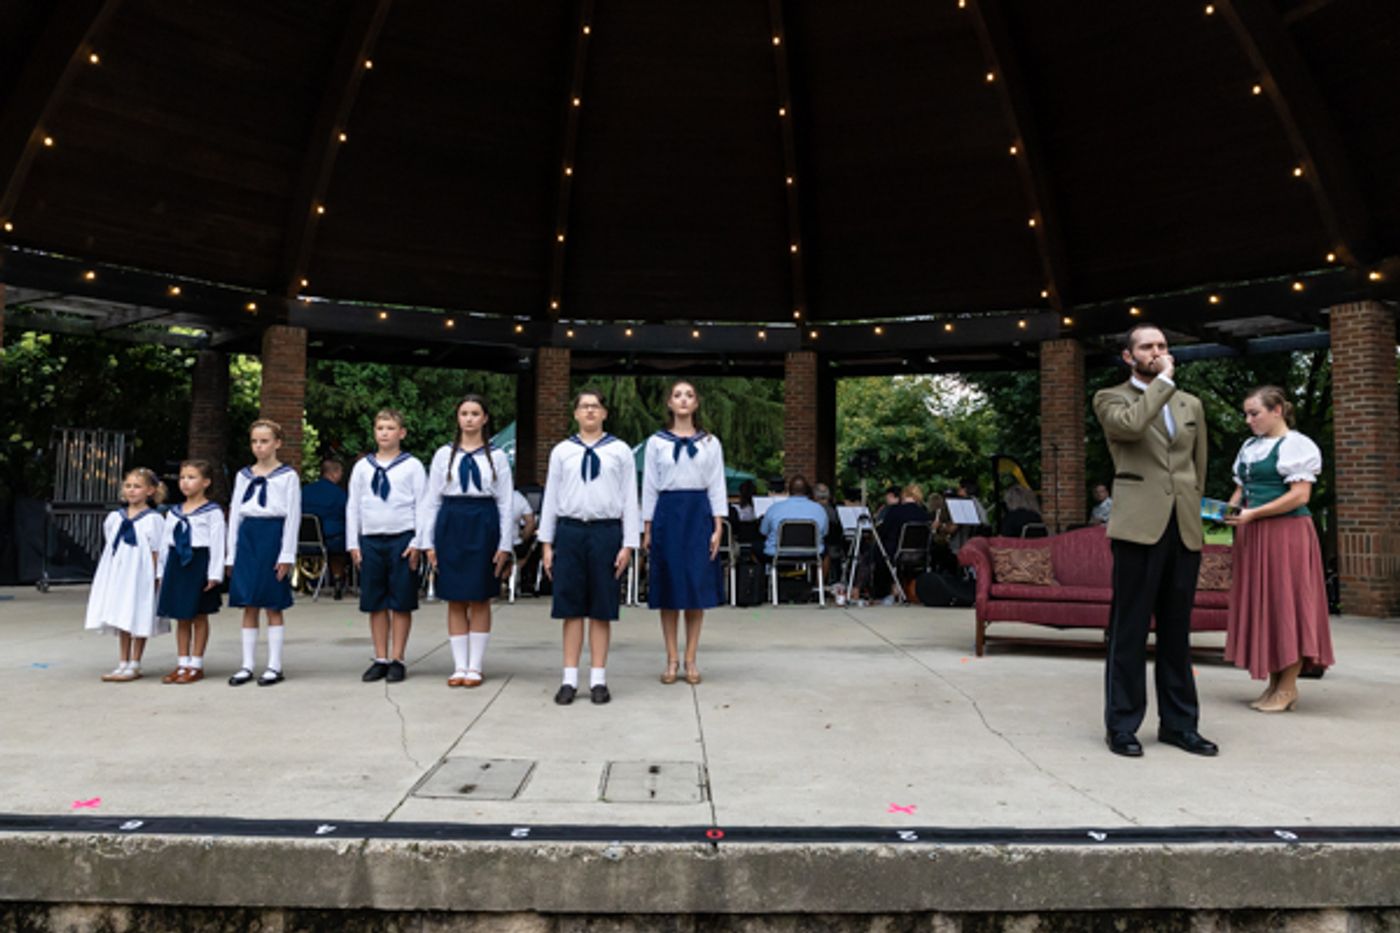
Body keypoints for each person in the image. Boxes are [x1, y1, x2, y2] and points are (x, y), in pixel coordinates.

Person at [1093, 323, 1216, 758]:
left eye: (1162, 345)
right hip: (1138, 527)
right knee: (1129, 630)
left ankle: (1180, 725)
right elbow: (1130, 428)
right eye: (1147, 347)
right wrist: (1162, 381)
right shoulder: (1111, 398)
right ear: (1129, 357)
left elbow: (1198, 466)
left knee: (1177, 631)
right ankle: (1122, 725)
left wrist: (1193, 509)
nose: (1157, 351)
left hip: (1182, 525)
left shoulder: (1190, 404)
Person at [1224, 385, 1334, 712]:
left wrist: (1254, 513)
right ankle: (1274, 684)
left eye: (1254, 413)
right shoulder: (1250, 447)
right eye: (1246, 414)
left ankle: (1287, 687)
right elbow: (1241, 490)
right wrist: (1228, 511)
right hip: (1254, 534)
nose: (1248, 420)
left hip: (1287, 534)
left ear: (1277, 411)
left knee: (1288, 603)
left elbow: (1300, 496)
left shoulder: (1296, 445)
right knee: (1267, 604)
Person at [539, 389, 640, 706]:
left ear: (605, 413)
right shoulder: (562, 452)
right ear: (576, 413)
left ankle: (598, 679)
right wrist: (546, 543)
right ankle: (569, 679)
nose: (590, 411)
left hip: (605, 531)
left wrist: (629, 543)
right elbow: (551, 497)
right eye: (584, 407)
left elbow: (630, 498)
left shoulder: (620, 451)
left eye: (595, 406)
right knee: (570, 609)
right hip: (570, 530)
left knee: (601, 608)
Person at [422, 395, 514, 688]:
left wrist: (505, 544)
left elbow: (506, 502)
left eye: (475, 413)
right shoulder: (443, 455)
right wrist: (428, 541)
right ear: (457, 417)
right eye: (464, 413)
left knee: (480, 595)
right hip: (451, 521)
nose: (469, 419)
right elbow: (431, 500)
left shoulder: (497, 457)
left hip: (483, 521)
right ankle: (459, 665)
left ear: (485, 418)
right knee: (455, 597)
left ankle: (475, 666)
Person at [641, 380, 727, 686]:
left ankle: (691, 658)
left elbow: (717, 484)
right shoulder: (656, 443)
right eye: (677, 395)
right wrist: (647, 527)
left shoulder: (710, 443)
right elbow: (649, 485)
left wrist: (718, 525)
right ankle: (671, 658)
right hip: (667, 513)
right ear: (669, 403)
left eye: (689, 395)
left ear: (696, 403)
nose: (683, 400)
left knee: (695, 587)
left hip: (698, 514)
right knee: (669, 588)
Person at [347, 410, 427, 684]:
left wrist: (418, 541)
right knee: (375, 601)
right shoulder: (363, 467)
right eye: (380, 427)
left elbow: (423, 505)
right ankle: (380, 657)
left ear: (401, 433)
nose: (384, 432)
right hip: (370, 539)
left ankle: (397, 658)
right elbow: (353, 506)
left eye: (390, 428)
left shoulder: (412, 466)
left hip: (402, 539)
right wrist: (353, 542)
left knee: (401, 601)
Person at [226, 419, 301, 687]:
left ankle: (274, 665)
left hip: (273, 536)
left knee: (272, 602)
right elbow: (235, 514)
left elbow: (293, 516)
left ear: (277, 443)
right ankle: (247, 664)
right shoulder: (243, 475)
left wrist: (287, 554)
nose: (259, 446)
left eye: (265, 441)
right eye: (255, 441)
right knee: (249, 602)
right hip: (248, 537)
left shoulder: (288, 476)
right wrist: (231, 554)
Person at [85, 468, 166, 682]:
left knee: (139, 614)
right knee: (122, 615)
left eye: (137, 486)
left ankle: (135, 663)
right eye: (128, 486)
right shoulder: (114, 518)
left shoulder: (153, 519)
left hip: (141, 575)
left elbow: (157, 550)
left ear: (150, 491)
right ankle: (122, 662)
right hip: (120, 574)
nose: (131, 490)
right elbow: (112, 545)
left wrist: (156, 576)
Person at [155, 460, 225, 684]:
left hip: (199, 562)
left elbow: (217, 544)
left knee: (198, 614)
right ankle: (182, 662)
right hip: (177, 562)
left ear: (206, 482)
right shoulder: (174, 512)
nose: (185, 482)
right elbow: (165, 543)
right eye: (183, 477)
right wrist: (161, 571)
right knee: (181, 616)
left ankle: (196, 664)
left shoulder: (212, 512)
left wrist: (214, 574)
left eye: (192, 477)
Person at [852, 483, 930, 602]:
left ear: (904, 495)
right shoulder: (924, 514)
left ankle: (861, 590)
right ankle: (896, 589)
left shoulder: (895, 510)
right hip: (919, 554)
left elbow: (883, 532)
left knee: (870, 553)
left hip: (894, 552)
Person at [302, 457, 348, 598]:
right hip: (331, 540)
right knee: (344, 543)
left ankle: (307, 581)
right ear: (334, 473)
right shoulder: (339, 494)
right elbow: (347, 516)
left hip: (304, 542)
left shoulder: (304, 491)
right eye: (340, 472)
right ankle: (338, 578)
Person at [758, 475, 828, 560]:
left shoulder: (774, 508)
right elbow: (824, 533)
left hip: (778, 555)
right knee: (826, 550)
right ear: (807, 490)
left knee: (755, 547)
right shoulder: (819, 509)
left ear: (789, 490)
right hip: (812, 554)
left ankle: (762, 569)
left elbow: (763, 531)